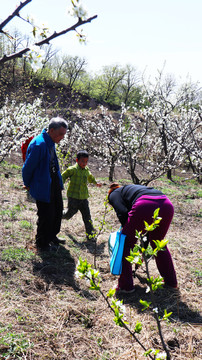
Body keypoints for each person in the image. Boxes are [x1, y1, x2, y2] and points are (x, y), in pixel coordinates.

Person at [108, 183, 178, 293]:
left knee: (125, 244)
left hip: (144, 205)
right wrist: (142, 247)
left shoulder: (113, 194)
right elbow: (144, 231)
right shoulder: (132, 189)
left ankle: (125, 286)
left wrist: (127, 232)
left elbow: (122, 213)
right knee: (158, 244)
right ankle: (171, 282)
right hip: (166, 204)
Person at [22, 117, 68, 251]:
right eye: (60, 134)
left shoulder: (51, 141)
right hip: (42, 184)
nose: (62, 137)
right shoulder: (39, 144)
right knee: (46, 214)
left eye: (64, 134)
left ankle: (52, 235)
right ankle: (42, 242)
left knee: (57, 210)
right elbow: (27, 168)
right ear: (51, 130)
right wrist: (28, 184)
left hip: (52, 181)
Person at [62, 150, 101, 240]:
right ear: (77, 160)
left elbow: (90, 177)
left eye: (86, 161)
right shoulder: (72, 169)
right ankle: (59, 215)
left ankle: (90, 234)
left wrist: (96, 183)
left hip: (83, 197)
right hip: (73, 197)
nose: (84, 163)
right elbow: (63, 176)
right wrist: (60, 184)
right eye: (82, 161)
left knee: (87, 216)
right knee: (69, 214)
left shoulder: (86, 170)